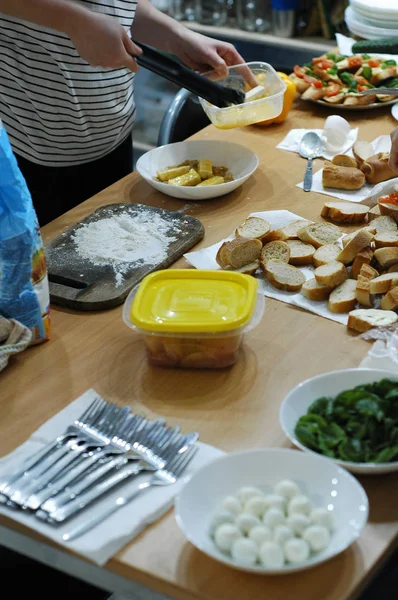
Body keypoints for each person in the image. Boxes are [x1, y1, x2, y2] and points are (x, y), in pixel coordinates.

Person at [0, 0, 249, 225]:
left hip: (113, 138)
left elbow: (117, 5)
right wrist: (72, 20)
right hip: (30, 152)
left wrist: (177, 36)